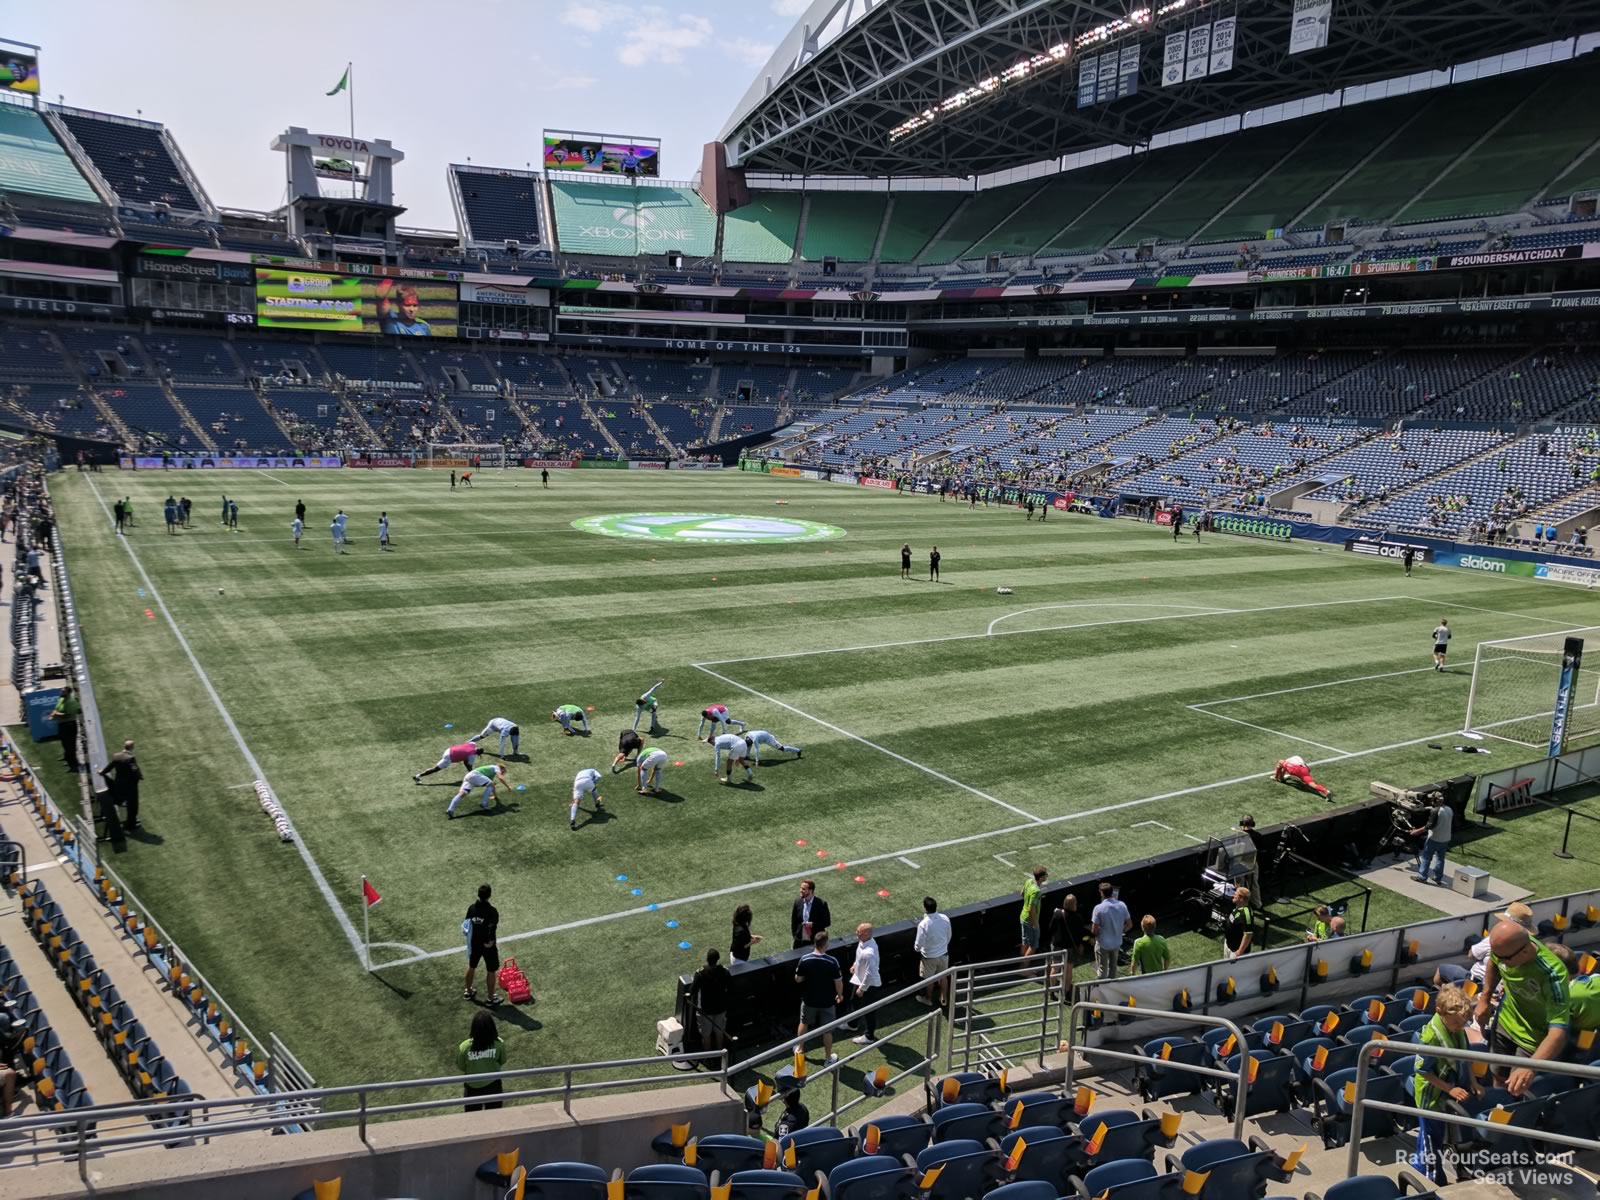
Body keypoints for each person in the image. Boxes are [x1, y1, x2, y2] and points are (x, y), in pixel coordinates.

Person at [1475, 920, 1569, 1096]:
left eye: (1505, 958)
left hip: (1531, 1039)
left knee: (1515, 1089)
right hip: (1504, 1025)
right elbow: (1494, 963)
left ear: (1525, 951)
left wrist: (1531, 1067)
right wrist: (1484, 999)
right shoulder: (1504, 951)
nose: (1499, 959)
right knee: (1498, 1077)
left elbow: (1559, 1032)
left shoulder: (1552, 975)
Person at [1411, 983, 1480, 1184]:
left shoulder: (1458, 1029)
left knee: (1432, 1136)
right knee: (1431, 1139)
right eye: (1456, 1023)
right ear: (1441, 1013)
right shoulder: (1431, 1037)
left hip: (1448, 1090)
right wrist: (1450, 1088)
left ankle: (1418, 1164)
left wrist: (1474, 1081)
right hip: (1431, 1096)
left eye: (1462, 1023)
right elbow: (1422, 1070)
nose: (1460, 1027)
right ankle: (1434, 1178)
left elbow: (1465, 1056)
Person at [795, 931, 843, 1064]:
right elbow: (838, 981)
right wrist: (840, 995)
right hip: (827, 1002)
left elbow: (798, 979)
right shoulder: (832, 961)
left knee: (804, 1023)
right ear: (826, 944)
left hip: (809, 1000)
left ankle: (799, 1049)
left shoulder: (804, 959)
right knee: (827, 1031)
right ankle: (828, 1058)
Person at [458, 1009, 506, 1110]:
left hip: (472, 1087)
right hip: (494, 1085)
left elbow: (461, 1066)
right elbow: (502, 1060)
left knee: (473, 1119)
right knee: (495, 1116)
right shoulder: (499, 1044)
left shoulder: (464, 1046)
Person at [462, 883, 501, 1004]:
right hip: (487, 945)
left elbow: (467, 924)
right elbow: (492, 927)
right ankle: (490, 998)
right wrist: (490, 942)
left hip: (474, 943)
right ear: (489, 895)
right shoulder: (492, 911)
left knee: (472, 966)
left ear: (478, 894)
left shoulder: (471, 908)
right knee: (491, 970)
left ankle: (468, 991)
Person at [98, 739, 143, 831]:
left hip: (119, 785)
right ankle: (131, 825)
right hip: (130, 787)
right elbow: (135, 770)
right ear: (132, 748)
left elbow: (109, 767)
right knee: (133, 807)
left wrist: (102, 772)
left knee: (119, 799)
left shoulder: (116, 756)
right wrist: (138, 778)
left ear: (124, 746)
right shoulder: (130, 758)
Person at [1090, 881, 1132, 979]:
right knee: (1113, 968)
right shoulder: (1122, 905)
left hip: (1103, 945)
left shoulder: (1098, 909)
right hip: (1116, 943)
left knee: (1102, 970)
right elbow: (1129, 925)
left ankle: (1102, 989)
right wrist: (1120, 931)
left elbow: (1094, 931)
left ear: (1101, 893)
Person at [847, 923, 881, 1044]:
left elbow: (870, 973)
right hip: (859, 979)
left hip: (869, 985)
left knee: (869, 1011)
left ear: (865, 934)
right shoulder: (864, 942)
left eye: (858, 931)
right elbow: (859, 957)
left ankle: (869, 1036)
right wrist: (855, 965)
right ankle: (852, 1024)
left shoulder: (869, 952)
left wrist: (862, 988)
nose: (856, 933)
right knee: (854, 1001)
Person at [692, 948, 731, 1053]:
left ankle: (708, 1057)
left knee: (706, 1035)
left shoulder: (700, 973)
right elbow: (730, 987)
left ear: (707, 959)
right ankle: (720, 1054)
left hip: (705, 1010)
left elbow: (693, 991)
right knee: (719, 1033)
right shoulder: (725, 972)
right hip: (720, 1008)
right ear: (718, 959)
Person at [916, 896, 952, 1006]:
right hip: (943, 954)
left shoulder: (923, 924)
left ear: (925, 908)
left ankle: (928, 999)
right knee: (943, 977)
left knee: (929, 979)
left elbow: (918, 944)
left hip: (929, 957)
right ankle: (943, 998)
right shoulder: (945, 918)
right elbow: (949, 935)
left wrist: (918, 949)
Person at [1409, 797, 1454, 886]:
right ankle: (1438, 878)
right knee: (1440, 859)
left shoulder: (1436, 811)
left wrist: (1416, 832)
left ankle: (1422, 877)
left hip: (1434, 839)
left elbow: (1428, 826)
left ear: (1434, 801)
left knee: (1426, 858)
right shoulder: (1449, 809)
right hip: (1446, 839)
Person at [791, 879, 831, 948]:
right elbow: (794, 920)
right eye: (800, 888)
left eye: (803, 889)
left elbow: (827, 922)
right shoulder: (797, 902)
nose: (800, 890)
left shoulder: (821, 904)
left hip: (815, 941)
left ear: (810, 891)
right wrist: (795, 935)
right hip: (799, 940)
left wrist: (813, 925)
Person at [50, 686, 81, 773]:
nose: (61, 693)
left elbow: (67, 715)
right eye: (61, 691)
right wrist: (53, 714)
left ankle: (74, 765)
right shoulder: (61, 699)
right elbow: (56, 709)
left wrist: (56, 714)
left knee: (70, 745)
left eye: (63, 692)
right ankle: (67, 758)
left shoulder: (71, 701)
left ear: (68, 693)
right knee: (65, 743)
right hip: (62, 725)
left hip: (70, 725)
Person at [415, 742, 480, 783]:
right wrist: (472, 774)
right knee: (435, 769)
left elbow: (465, 760)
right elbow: (469, 766)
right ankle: (418, 776)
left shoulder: (473, 744)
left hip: (449, 750)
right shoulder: (472, 756)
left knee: (440, 767)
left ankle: (418, 776)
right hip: (449, 757)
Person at [1020, 865, 1047, 958]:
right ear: (1041, 878)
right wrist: (1035, 924)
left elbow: (1022, 893)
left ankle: (1021, 960)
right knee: (1033, 945)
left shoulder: (1028, 881)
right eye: (1045, 875)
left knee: (1025, 941)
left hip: (1023, 917)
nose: (1047, 876)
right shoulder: (1037, 891)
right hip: (1030, 921)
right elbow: (1032, 909)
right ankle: (1024, 968)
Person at [1224, 886, 1254, 959]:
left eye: (1235, 894)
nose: (1233, 895)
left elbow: (1248, 934)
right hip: (1229, 944)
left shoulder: (1246, 914)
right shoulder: (1238, 906)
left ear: (1241, 898)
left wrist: (1240, 951)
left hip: (1236, 951)